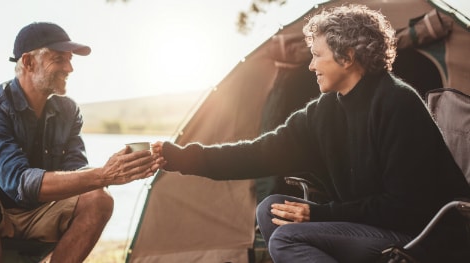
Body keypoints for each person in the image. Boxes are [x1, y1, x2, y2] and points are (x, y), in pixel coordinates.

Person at [152, 4, 470, 262]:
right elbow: (258, 153)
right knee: (270, 209)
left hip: (424, 236)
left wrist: (318, 213)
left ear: (348, 56)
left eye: (318, 55)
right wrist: (180, 157)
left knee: (289, 238)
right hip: (373, 226)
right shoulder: (324, 112)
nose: (311, 65)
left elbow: (405, 207)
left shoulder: (397, 104)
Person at [0, 22, 161, 263]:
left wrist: (122, 170)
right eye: (59, 59)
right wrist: (104, 174)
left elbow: (77, 172)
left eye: (70, 59)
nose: (70, 68)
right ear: (28, 62)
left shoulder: (68, 110)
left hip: (38, 212)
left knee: (99, 199)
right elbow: (19, 183)